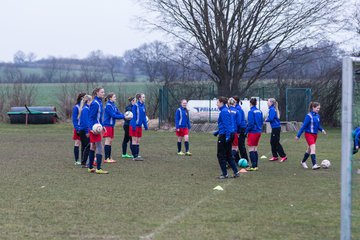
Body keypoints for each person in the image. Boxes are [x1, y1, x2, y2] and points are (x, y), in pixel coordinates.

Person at [213, 96, 239, 179]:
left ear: (221, 103)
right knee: (228, 155)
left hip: (225, 136)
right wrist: (217, 132)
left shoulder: (224, 111)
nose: (216, 104)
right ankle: (236, 172)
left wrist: (227, 137)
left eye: (217, 102)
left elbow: (227, 125)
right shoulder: (227, 110)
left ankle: (224, 174)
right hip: (227, 134)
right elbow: (228, 124)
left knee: (221, 155)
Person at [296, 102, 327, 170]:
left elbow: (318, 125)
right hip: (308, 134)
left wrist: (322, 130)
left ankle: (303, 161)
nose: (318, 109)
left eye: (319, 108)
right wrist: (298, 135)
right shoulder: (309, 116)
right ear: (313, 107)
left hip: (315, 135)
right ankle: (314, 164)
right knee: (313, 148)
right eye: (317, 108)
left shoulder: (317, 116)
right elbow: (303, 126)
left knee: (309, 150)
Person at [88, 87, 108, 174]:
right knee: (100, 147)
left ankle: (90, 167)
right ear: (97, 93)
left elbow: (99, 117)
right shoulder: (95, 103)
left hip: (98, 127)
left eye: (104, 92)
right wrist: (91, 128)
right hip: (94, 129)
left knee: (93, 146)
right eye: (102, 92)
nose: (103, 93)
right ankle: (99, 168)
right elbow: (90, 117)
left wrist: (102, 126)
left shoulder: (99, 102)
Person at [103, 92, 125, 163]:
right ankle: (106, 158)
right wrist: (124, 117)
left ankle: (109, 157)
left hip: (111, 125)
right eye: (114, 97)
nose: (115, 98)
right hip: (107, 125)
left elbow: (118, 113)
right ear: (110, 98)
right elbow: (113, 115)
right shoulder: (108, 105)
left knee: (110, 141)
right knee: (108, 140)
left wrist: (125, 115)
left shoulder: (113, 105)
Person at [265, 98, 287, 162]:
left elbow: (271, 118)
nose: (267, 103)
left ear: (271, 103)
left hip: (276, 128)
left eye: (268, 102)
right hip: (275, 128)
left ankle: (283, 156)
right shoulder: (272, 109)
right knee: (272, 142)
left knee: (276, 142)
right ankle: (275, 156)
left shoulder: (272, 109)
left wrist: (266, 119)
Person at [246, 98, 263, 171]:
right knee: (255, 148)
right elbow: (261, 121)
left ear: (250, 103)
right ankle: (256, 165)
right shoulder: (259, 111)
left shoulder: (251, 111)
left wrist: (246, 131)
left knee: (251, 149)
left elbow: (251, 124)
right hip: (258, 131)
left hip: (253, 132)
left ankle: (253, 166)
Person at [129, 93, 148, 161]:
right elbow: (133, 116)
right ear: (139, 98)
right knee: (134, 140)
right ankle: (135, 156)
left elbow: (143, 117)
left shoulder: (143, 106)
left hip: (139, 126)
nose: (144, 98)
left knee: (138, 141)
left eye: (144, 97)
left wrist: (145, 126)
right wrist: (134, 126)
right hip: (134, 126)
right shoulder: (135, 106)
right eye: (143, 97)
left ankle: (137, 155)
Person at [77, 95, 92, 168]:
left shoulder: (85, 108)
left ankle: (83, 162)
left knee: (84, 146)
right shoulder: (86, 109)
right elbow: (86, 122)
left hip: (82, 130)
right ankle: (85, 162)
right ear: (88, 101)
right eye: (91, 100)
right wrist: (87, 131)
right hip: (84, 130)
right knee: (87, 146)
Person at [72, 92, 86, 165]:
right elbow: (74, 119)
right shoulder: (76, 107)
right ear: (82, 98)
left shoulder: (86, 107)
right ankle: (77, 160)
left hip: (85, 128)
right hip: (78, 128)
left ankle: (84, 160)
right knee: (77, 143)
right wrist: (77, 128)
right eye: (85, 97)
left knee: (85, 144)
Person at [233, 96, 248, 162]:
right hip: (239, 129)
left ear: (235, 101)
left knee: (240, 145)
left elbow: (239, 122)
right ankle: (237, 160)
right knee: (236, 145)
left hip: (240, 129)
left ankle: (245, 160)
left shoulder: (238, 109)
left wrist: (238, 132)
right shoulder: (236, 108)